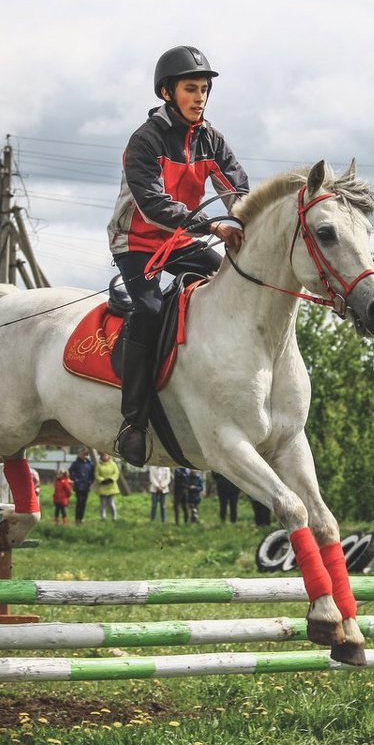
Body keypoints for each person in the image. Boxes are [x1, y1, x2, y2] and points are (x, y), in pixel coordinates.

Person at [109, 45, 250, 466]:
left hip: (182, 241)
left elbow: (237, 193)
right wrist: (212, 227)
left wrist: (248, 224)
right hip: (136, 242)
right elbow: (152, 205)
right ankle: (132, 422)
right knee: (150, 310)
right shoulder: (145, 140)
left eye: (205, 89)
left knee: (232, 282)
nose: (201, 97)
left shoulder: (211, 138)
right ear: (167, 92)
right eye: (192, 88)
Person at [68, 449, 95, 525]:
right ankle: (77, 519)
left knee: (83, 503)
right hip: (78, 486)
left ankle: (81, 518)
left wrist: (90, 481)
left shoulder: (90, 464)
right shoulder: (76, 463)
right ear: (80, 454)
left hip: (86, 486)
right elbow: (71, 472)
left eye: (86, 455)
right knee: (79, 502)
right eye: (83, 454)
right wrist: (75, 479)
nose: (85, 456)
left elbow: (92, 475)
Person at [95, 451, 120, 521]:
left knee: (111, 503)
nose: (105, 457)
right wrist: (102, 480)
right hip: (102, 486)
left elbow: (116, 473)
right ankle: (103, 517)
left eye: (106, 455)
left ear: (109, 456)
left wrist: (111, 479)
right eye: (104, 456)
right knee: (103, 503)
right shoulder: (99, 465)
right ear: (101, 457)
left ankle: (114, 517)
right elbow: (97, 475)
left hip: (111, 486)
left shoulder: (113, 464)